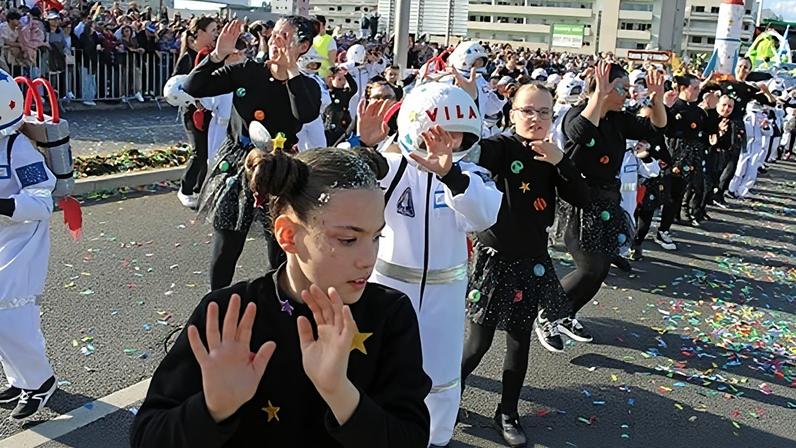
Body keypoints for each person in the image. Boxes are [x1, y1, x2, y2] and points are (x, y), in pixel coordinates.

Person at [130, 148, 431, 447]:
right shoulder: (230, 315)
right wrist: (213, 409)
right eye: (348, 240)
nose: (369, 258)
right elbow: (148, 437)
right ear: (288, 235)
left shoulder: (390, 314)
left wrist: (340, 392)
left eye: (377, 236)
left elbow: (410, 438)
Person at [359, 81, 502, 447]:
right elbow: (346, 176)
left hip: (446, 293)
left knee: (440, 377)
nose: (447, 145)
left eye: (456, 137)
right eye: (438, 134)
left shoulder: (469, 177)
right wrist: (365, 145)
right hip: (389, 289)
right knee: (379, 367)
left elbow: (485, 215)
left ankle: (435, 440)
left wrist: (450, 176)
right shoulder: (391, 168)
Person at [459, 83, 588, 447]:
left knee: (519, 342)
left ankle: (508, 412)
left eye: (544, 112)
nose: (536, 118)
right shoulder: (502, 147)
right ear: (512, 114)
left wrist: (561, 162)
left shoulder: (553, 154)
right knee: (477, 342)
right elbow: (472, 152)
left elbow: (581, 197)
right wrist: (467, 103)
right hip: (493, 259)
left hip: (531, 263)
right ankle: (446, 398)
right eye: (527, 111)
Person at [181, 17, 321, 291]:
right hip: (237, 167)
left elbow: (304, 112)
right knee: (226, 246)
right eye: (274, 35)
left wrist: (290, 67)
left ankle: (279, 306)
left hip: (281, 171)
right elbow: (192, 87)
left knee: (280, 248)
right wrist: (218, 54)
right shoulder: (248, 71)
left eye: (285, 37)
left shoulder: (308, 85)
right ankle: (217, 305)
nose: (275, 42)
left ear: (303, 46)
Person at [558, 61, 666, 341]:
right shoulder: (575, 114)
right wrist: (598, 95)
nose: (628, 95)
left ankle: (566, 314)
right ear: (604, 88)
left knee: (601, 268)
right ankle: (550, 312)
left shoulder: (620, 119)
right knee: (589, 267)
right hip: (579, 201)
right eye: (622, 89)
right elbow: (580, 133)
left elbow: (656, 127)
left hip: (608, 200)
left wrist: (657, 100)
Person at [0, 70, 58, 420]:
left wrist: (5, 206)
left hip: (22, 243)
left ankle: (41, 381)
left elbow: (42, 201)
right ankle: (20, 379)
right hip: (2, 239)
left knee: (12, 317)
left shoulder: (18, 147)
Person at [174, 16, 218, 209]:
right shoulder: (188, 57)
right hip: (192, 113)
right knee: (199, 152)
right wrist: (196, 100)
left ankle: (201, 189)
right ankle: (185, 189)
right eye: (213, 30)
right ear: (199, 33)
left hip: (210, 112)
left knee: (208, 152)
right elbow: (175, 86)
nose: (216, 34)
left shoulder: (213, 55)